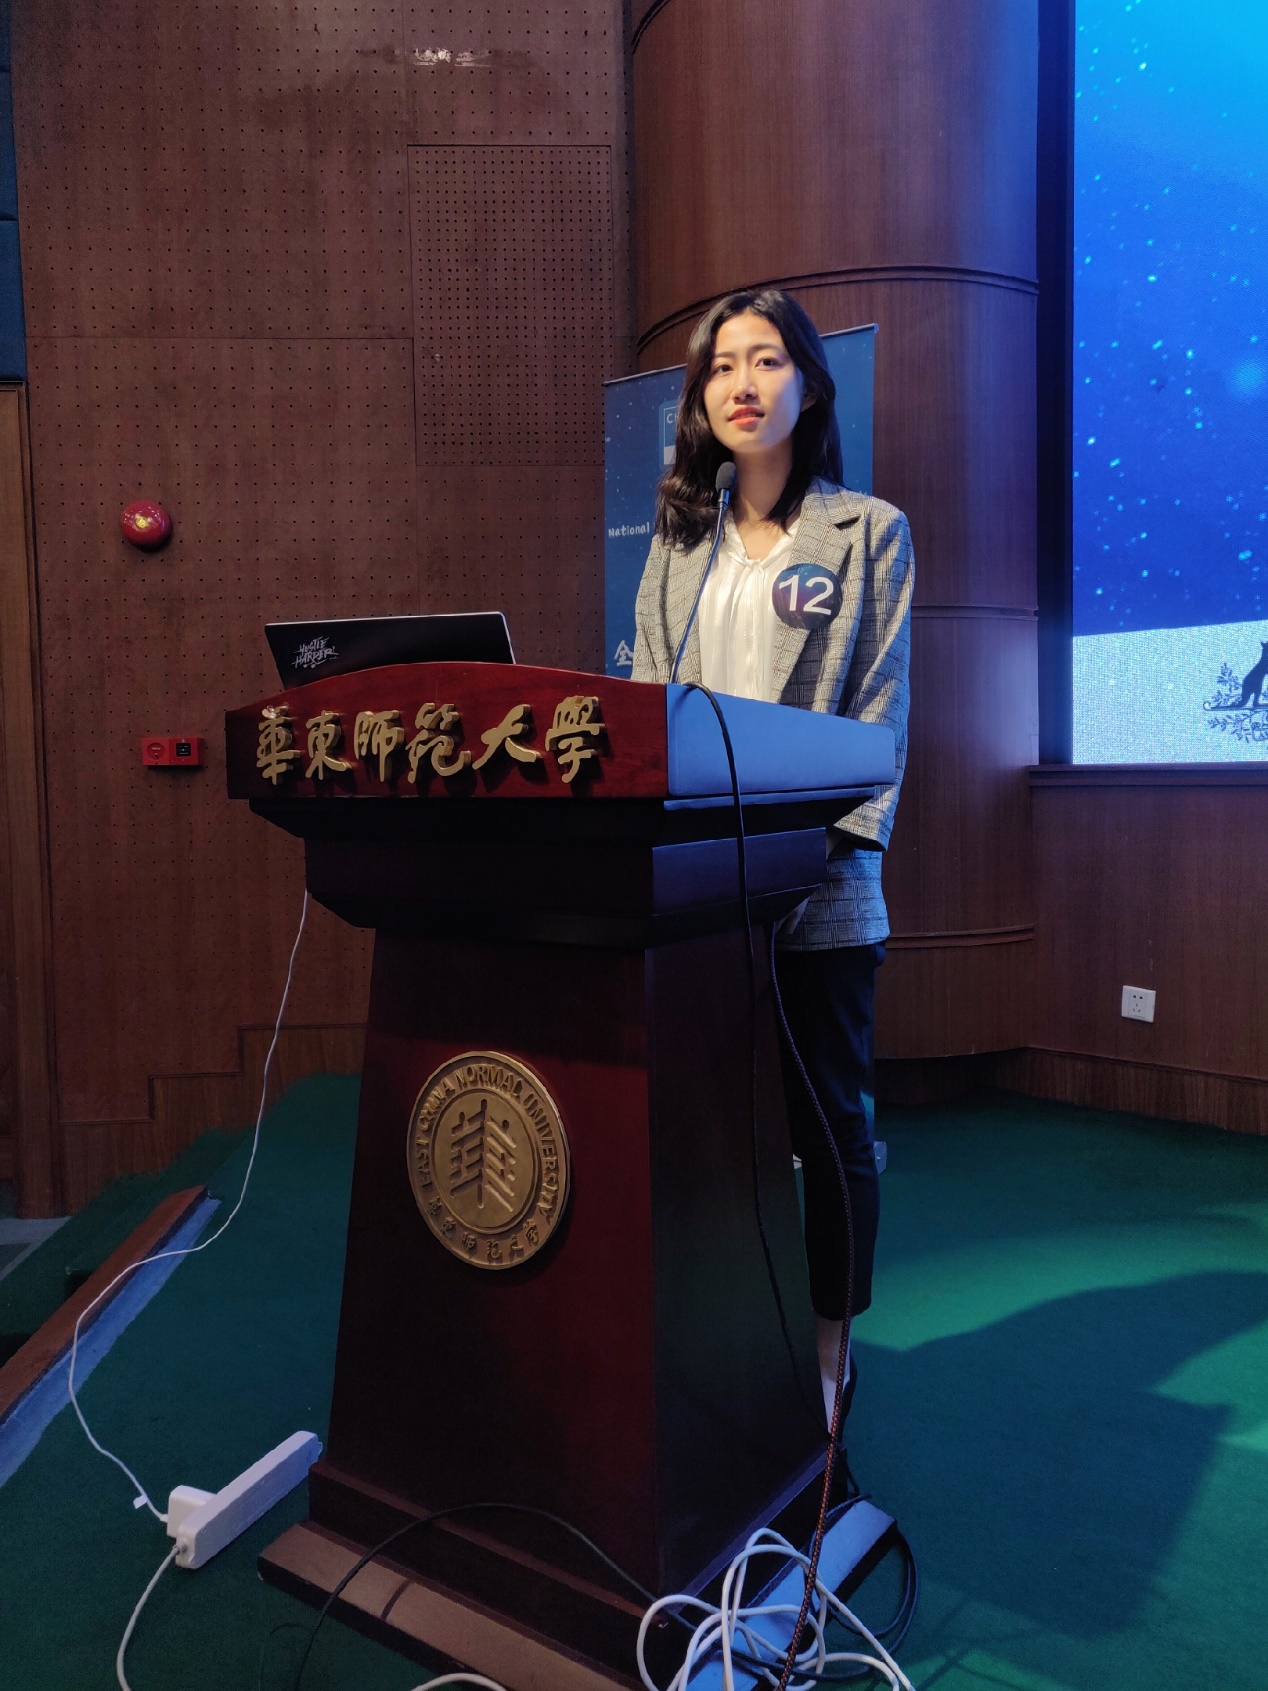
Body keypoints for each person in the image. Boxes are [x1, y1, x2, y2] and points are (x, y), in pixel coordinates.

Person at [631, 288, 913, 1429]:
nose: (740, 383)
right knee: (700, 1125)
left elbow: (879, 712)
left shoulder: (867, 529)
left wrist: (816, 856)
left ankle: (831, 1350)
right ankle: (717, 1333)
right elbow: (649, 699)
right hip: (693, 889)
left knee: (828, 1131)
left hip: (817, 884)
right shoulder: (677, 540)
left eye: (765, 359)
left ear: (808, 382)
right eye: (719, 366)